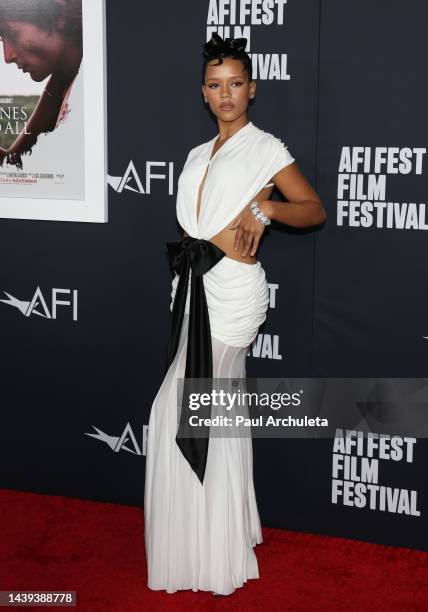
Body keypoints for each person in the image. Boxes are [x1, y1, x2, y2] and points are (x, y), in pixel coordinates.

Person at [144, 32, 326, 597]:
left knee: (187, 409)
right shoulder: (198, 155)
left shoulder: (266, 149)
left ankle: (209, 549)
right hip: (191, 290)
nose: (226, 95)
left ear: (252, 89)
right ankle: (209, 541)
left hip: (232, 296)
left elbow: (314, 208)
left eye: (236, 84)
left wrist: (266, 207)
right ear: (204, 93)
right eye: (215, 86)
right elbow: (194, 229)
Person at [0, 0, 82, 168]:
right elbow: (15, 159)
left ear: (58, 16)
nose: (7, 57)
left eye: (13, 34)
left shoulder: (96, 77)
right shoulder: (64, 75)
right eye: (2, 39)